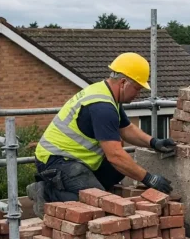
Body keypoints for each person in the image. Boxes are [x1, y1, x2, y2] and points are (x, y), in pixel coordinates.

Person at [26, 52, 175, 218]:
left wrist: (154, 142)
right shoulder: (102, 106)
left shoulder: (107, 95)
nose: (138, 94)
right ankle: (46, 192)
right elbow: (115, 155)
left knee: (119, 171)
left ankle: (86, 187)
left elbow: (126, 129)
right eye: (137, 89)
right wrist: (149, 179)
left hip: (76, 160)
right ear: (124, 82)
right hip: (57, 161)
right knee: (94, 205)